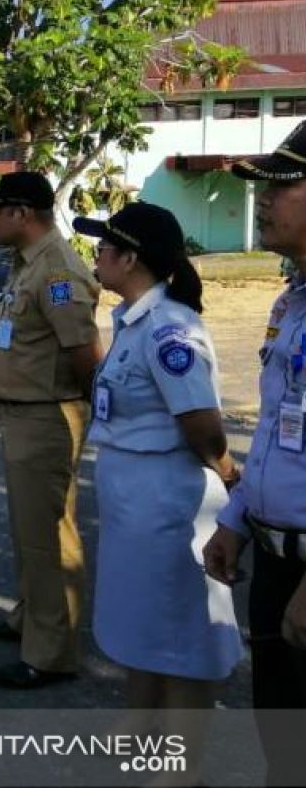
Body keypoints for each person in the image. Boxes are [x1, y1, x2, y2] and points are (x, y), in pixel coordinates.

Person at [76, 203, 242, 782]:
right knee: (142, 619)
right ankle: (140, 729)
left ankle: (178, 762)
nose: (95, 256)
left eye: (103, 248)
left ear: (130, 258)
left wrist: (226, 469)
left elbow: (201, 423)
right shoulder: (131, 320)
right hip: (134, 504)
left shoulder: (171, 328)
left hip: (169, 506)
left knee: (181, 635)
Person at [0, 171, 103, 689]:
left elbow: (84, 357)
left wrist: (81, 412)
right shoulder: (29, 263)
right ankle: (29, 619)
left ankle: (50, 654)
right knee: (29, 532)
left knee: (48, 536)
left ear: (22, 213)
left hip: (47, 416)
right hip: (23, 414)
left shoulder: (58, 270)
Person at [205, 120, 306, 786]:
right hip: (274, 561)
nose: (261, 201)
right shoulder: (290, 301)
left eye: (280, 185)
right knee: (282, 741)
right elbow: (275, 428)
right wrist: (237, 519)